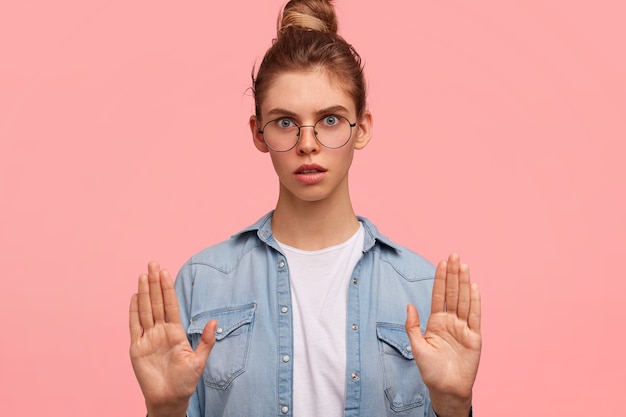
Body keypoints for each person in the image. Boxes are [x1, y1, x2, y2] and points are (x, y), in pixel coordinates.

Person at [128, 1, 482, 416]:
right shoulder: (202, 283)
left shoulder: (422, 290)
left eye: (330, 120)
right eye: (284, 122)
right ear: (258, 133)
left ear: (362, 128)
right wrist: (164, 409)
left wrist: (455, 405)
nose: (307, 143)